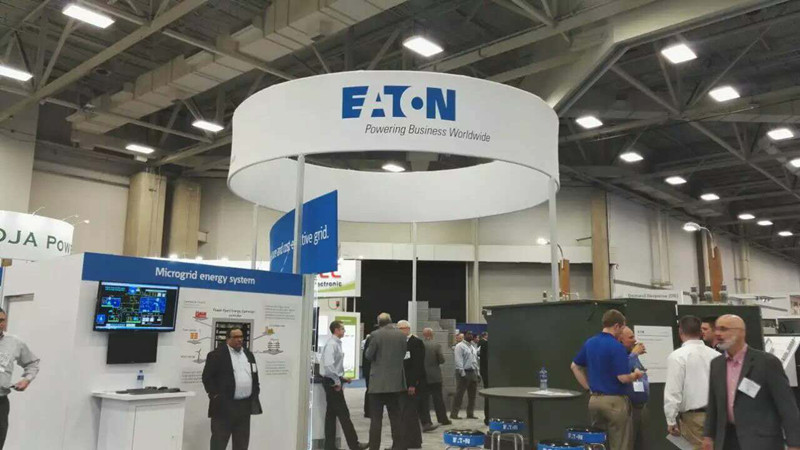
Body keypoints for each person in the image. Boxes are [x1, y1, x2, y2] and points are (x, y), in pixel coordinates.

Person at [703, 314, 800, 450]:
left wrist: (795, 443)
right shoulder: (717, 364)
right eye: (717, 329)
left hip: (761, 442)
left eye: (724, 329)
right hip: (727, 441)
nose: (718, 334)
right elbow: (713, 404)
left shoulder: (767, 363)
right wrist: (708, 436)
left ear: (741, 332)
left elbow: (787, 406)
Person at [571, 309, 643, 450]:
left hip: (594, 400)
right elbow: (622, 378)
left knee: (598, 443)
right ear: (616, 326)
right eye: (622, 328)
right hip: (614, 402)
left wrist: (588, 387)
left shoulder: (590, 343)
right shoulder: (617, 347)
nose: (622, 332)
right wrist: (635, 375)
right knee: (620, 444)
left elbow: (574, 366)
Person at [202, 328, 262, 450]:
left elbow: (254, 375)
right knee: (219, 442)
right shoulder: (216, 355)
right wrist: (215, 395)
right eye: (235, 337)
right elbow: (207, 378)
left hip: (244, 407)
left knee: (242, 443)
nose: (239, 340)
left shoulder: (248, 355)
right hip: (224, 406)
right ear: (228, 339)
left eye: (241, 337)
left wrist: (255, 391)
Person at [320, 321, 369, 450]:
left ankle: (329, 446)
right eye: (342, 329)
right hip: (332, 383)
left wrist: (342, 378)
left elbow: (333, 367)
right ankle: (354, 445)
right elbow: (329, 366)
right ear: (336, 330)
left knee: (331, 415)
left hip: (333, 381)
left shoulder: (336, 343)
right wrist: (337, 381)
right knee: (344, 414)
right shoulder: (332, 344)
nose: (344, 331)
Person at [364, 313, 408, 450]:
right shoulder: (401, 335)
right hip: (395, 384)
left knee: (376, 419)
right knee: (396, 418)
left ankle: (374, 447)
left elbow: (368, 355)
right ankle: (398, 446)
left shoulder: (375, 335)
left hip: (377, 384)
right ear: (390, 321)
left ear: (379, 322)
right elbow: (403, 354)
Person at [0, 308, 39, 450]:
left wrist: (26, 379)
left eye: (2, 320)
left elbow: (32, 363)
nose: (0, 324)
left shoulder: (14, 342)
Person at [618, 326, 649, 450]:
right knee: (627, 444)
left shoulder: (632, 356)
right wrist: (634, 354)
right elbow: (621, 371)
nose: (635, 340)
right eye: (631, 337)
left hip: (640, 406)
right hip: (628, 407)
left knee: (641, 444)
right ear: (621, 340)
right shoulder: (619, 355)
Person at [397, 320, 427, 447]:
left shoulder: (416, 342)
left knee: (410, 413)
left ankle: (413, 441)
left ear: (407, 329)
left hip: (412, 384)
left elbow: (417, 365)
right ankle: (409, 441)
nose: (398, 332)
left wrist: (413, 384)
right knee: (405, 413)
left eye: (400, 329)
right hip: (402, 383)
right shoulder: (401, 342)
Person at [420, 328, 451, 427]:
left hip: (423, 376)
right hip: (435, 376)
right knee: (438, 399)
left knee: (424, 400)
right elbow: (442, 360)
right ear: (432, 334)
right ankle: (442, 419)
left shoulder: (419, 345)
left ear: (423, 335)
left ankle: (427, 421)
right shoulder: (436, 345)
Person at [451, 331, 479, 420]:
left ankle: (470, 413)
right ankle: (454, 414)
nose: (470, 335)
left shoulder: (472, 347)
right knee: (459, 394)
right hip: (463, 372)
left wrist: (477, 372)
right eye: (468, 334)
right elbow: (458, 360)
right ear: (465, 336)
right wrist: (462, 373)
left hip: (472, 371)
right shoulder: (460, 346)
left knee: (472, 395)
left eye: (471, 334)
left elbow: (474, 361)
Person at [477, 331, 490, 425]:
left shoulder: (481, 345)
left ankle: (487, 418)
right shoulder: (485, 344)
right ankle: (488, 417)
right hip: (487, 372)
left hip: (484, 371)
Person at [362, 332, 372, 418]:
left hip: (368, 370)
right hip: (371, 371)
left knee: (369, 390)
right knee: (370, 391)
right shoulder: (371, 339)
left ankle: (368, 411)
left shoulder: (370, 339)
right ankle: (369, 411)